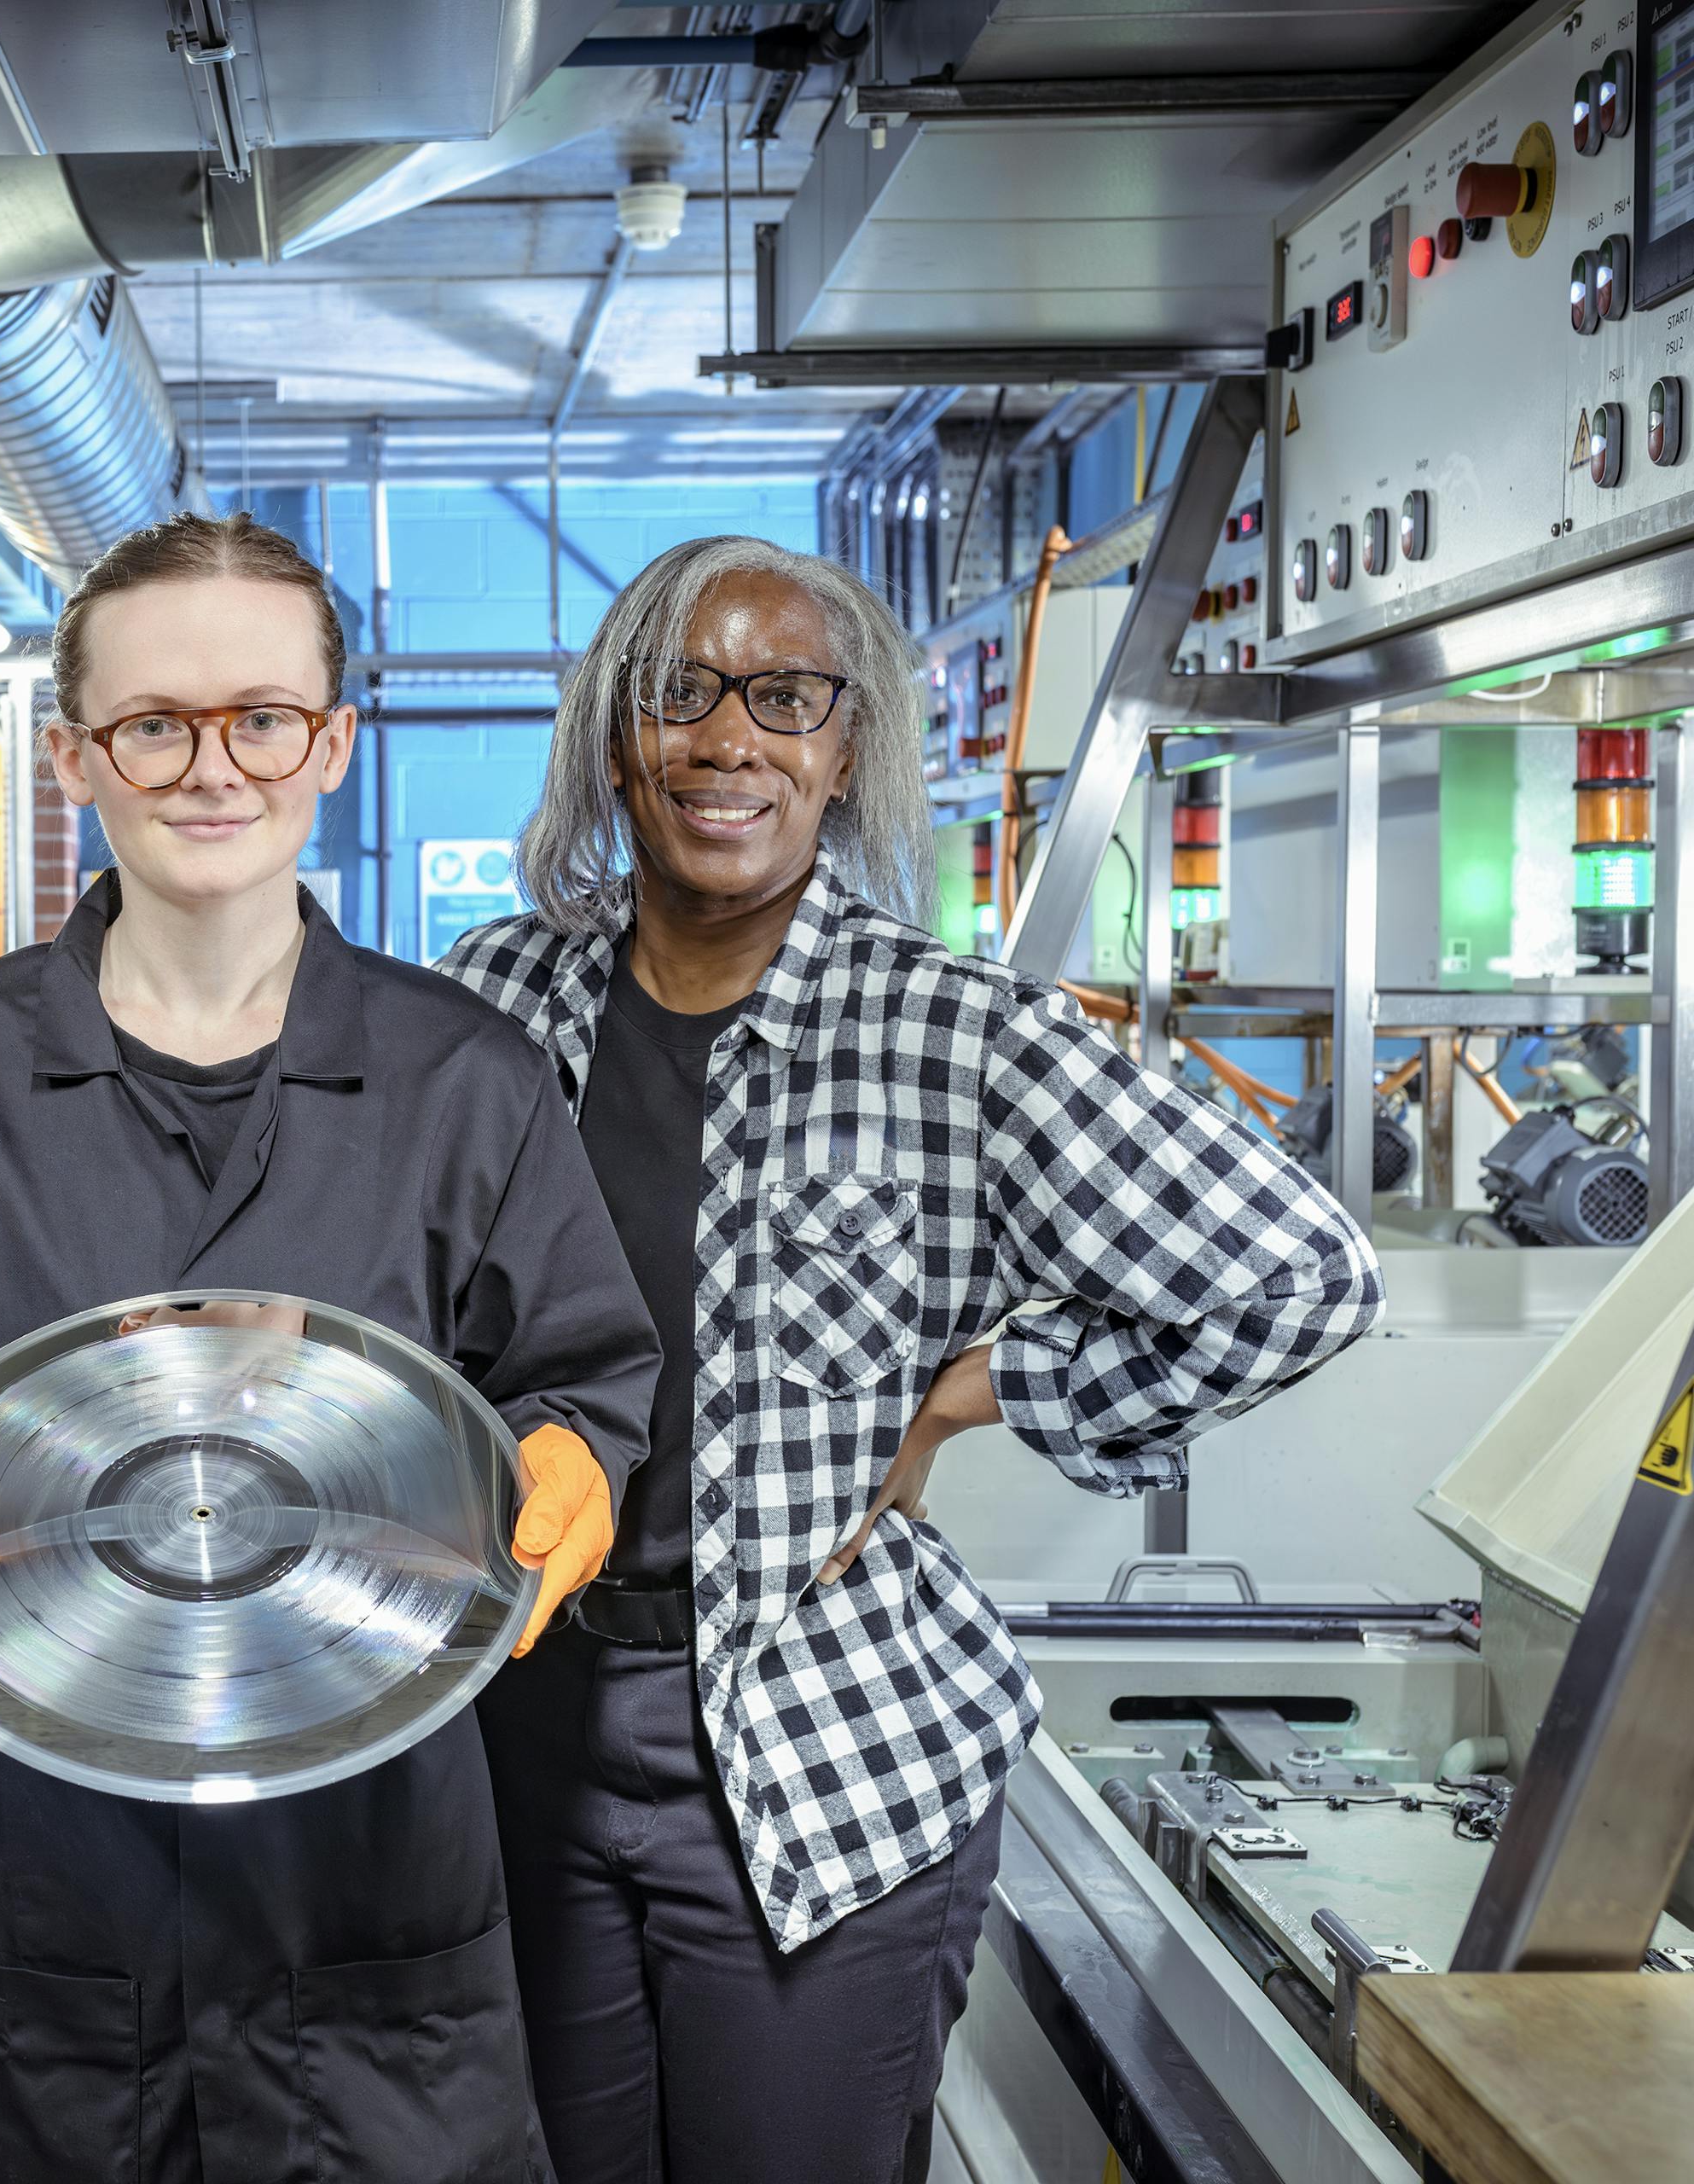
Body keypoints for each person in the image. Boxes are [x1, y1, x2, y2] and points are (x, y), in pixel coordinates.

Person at [440, 537, 1383, 2184]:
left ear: (847, 748)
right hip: (524, 1724)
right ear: (613, 737)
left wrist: (980, 1389)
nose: (729, 740)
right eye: (680, 692)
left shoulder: (961, 1035)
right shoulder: (499, 1001)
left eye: (787, 699)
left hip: (816, 1742)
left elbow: (1301, 1278)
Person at [0, 511, 659, 2183]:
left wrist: (571, 1464)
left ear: (331, 741)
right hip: (30, 1900)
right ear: (75, 753)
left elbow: (584, 1371)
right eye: (152, 724)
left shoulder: (463, 1078)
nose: (208, 766)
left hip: (367, 1902)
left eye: (260, 717)